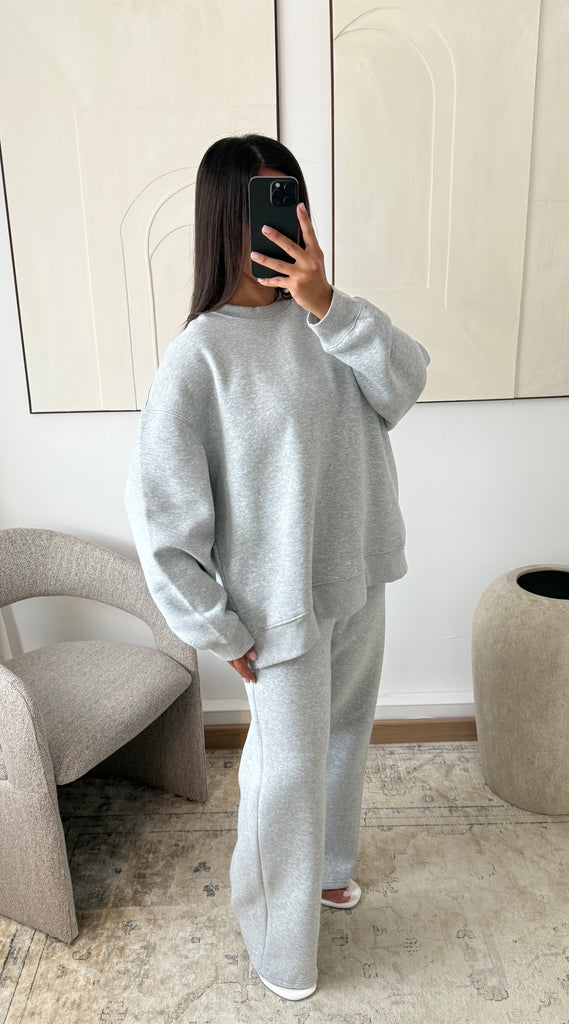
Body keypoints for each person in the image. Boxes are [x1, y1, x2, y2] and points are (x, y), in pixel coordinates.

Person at [124, 133, 431, 1001]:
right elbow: (162, 520)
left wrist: (327, 302)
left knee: (344, 739)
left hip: (358, 577)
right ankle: (277, 943)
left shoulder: (327, 320)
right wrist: (217, 627)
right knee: (283, 778)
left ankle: (328, 874)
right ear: (225, 217)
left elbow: (405, 385)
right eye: (262, 201)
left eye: (290, 197)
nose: (280, 218)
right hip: (276, 610)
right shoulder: (199, 359)